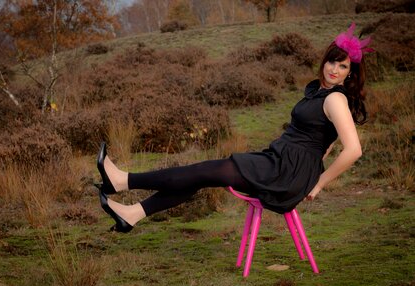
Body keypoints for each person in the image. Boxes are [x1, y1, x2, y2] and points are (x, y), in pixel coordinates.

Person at [96, 23, 373, 233]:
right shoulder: (321, 93)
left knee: (202, 171)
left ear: (350, 72)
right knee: (201, 176)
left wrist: (319, 183)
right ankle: (132, 213)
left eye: (343, 65)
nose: (334, 69)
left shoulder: (335, 98)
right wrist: (321, 152)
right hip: (279, 161)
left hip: (285, 173)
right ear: (324, 60)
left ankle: (123, 181)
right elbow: (328, 136)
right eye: (331, 61)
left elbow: (354, 150)